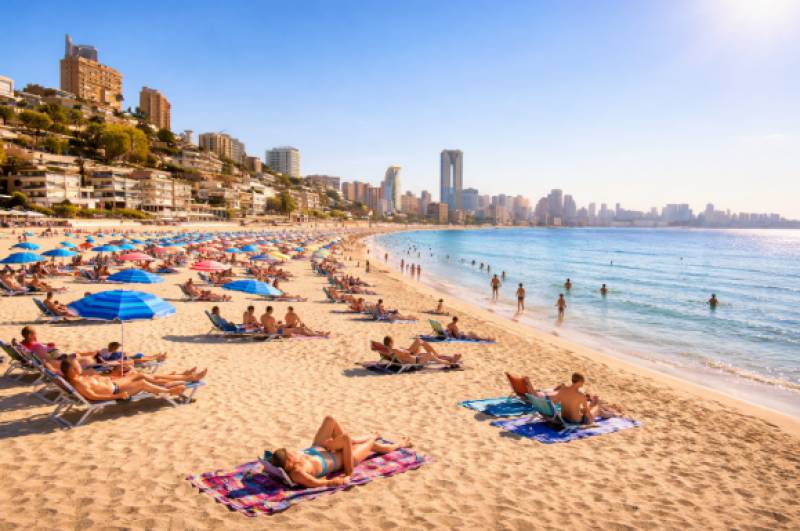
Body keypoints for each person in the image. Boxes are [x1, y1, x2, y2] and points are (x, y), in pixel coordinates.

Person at [266, 416, 413, 488]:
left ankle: (352, 441)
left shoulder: (290, 460)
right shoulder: (298, 473)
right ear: (288, 463)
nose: (292, 453)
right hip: (346, 458)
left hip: (322, 448)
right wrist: (337, 480)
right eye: (289, 455)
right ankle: (398, 444)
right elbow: (315, 483)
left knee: (330, 419)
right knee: (370, 444)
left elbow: (267, 461)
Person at [60, 354, 206, 400]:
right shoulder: (79, 383)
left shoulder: (79, 378)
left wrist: (113, 374)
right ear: (72, 370)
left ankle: (186, 377)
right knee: (142, 382)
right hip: (117, 390)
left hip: (115, 382)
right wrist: (117, 396)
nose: (80, 366)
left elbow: (99, 381)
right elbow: (94, 396)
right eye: (77, 365)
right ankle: (171, 390)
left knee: (140, 374)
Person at [382, 336, 461, 365]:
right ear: (391, 342)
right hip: (415, 360)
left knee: (420, 342)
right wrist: (404, 350)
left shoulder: (389, 350)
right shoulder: (394, 349)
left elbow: (402, 355)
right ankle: (450, 362)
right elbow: (407, 353)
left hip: (414, 357)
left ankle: (449, 358)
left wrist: (402, 348)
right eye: (393, 342)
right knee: (430, 354)